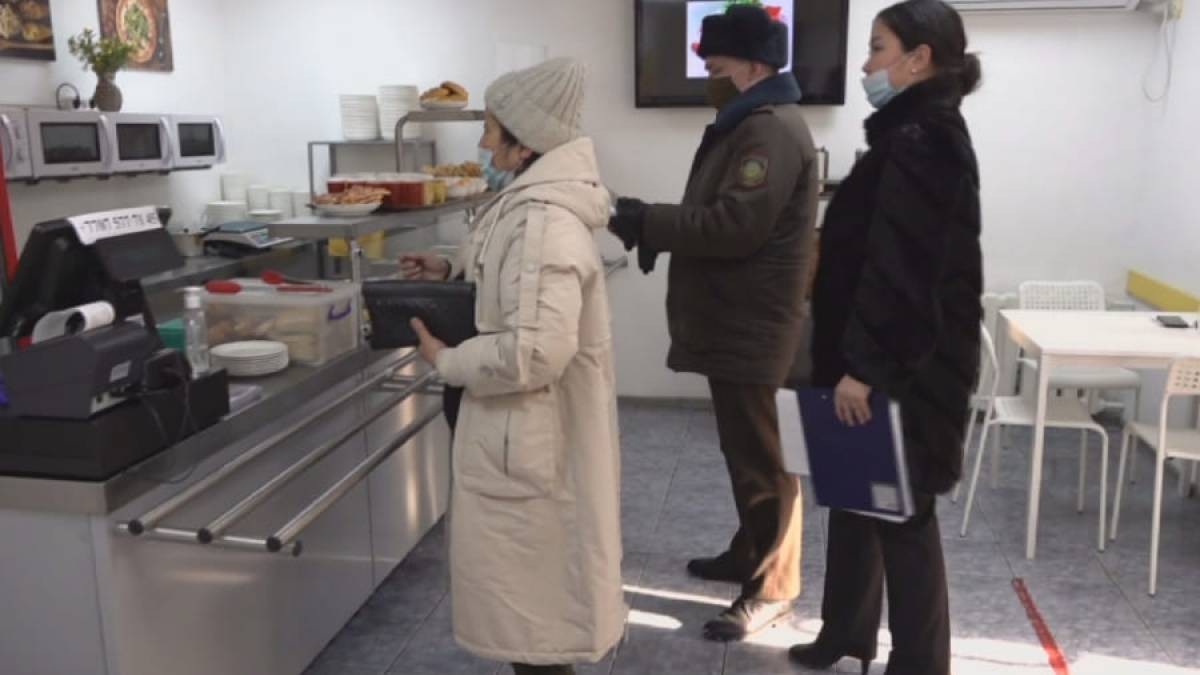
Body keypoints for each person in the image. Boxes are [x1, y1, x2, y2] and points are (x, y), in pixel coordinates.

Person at [401, 58, 624, 675]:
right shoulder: (525, 205)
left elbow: (535, 352)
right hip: (514, 435)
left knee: (537, 625)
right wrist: (450, 271)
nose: (481, 142)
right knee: (531, 617)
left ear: (525, 143)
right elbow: (511, 286)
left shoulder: (544, 221)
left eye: (490, 128)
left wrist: (447, 359)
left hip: (527, 438)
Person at [608, 4, 818, 642]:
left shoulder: (770, 132)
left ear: (753, 66)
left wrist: (649, 221)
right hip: (737, 319)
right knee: (743, 450)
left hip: (753, 325)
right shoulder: (750, 123)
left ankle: (774, 588)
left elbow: (734, 226)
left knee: (764, 460)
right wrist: (653, 225)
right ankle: (749, 551)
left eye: (717, 66)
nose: (709, 77)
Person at [787, 2, 983, 674]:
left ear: (918, 59)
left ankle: (921, 662)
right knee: (854, 497)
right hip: (868, 356)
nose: (866, 64)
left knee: (903, 517)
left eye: (877, 48)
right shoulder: (906, 134)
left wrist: (864, 368)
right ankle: (845, 631)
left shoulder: (925, 139)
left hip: (900, 368)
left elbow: (905, 270)